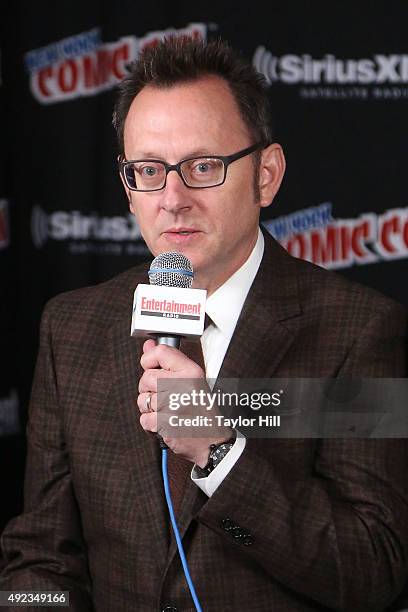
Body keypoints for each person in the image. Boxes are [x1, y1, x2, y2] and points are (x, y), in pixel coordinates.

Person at [1, 36, 408, 612]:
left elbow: (374, 572)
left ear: (265, 175)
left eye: (202, 166)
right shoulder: (71, 329)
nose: (172, 198)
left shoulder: (359, 332)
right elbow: (39, 558)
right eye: (148, 170)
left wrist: (219, 452)